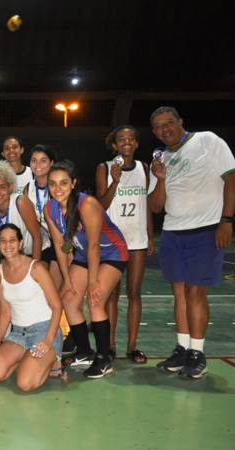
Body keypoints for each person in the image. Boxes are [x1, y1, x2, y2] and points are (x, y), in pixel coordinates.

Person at [148, 106, 235, 378]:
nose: (166, 129)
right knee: (178, 292)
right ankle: (182, 349)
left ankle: (198, 353)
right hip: (173, 231)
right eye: (159, 127)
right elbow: (156, 206)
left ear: (180, 122)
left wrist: (226, 220)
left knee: (195, 293)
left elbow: (232, 180)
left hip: (206, 229)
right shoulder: (160, 159)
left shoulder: (208, 141)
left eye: (169, 123)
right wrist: (160, 179)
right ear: (155, 132)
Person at [44, 160, 128, 379]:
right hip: (82, 254)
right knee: (68, 298)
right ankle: (84, 352)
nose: (57, 189)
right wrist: (67, 279)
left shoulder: (87, 204)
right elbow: (60, 246)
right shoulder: (49, 208)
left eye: (63, 183)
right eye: (52, 184)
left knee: (96, 299)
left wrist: (92, 282)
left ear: (73, 183)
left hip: (111, 253)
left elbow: (93, 245)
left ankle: (103, 358)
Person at [95, 125, 156, 363]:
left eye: (132, 138)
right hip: (113, 241)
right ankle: (110, 345)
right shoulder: (105, 168)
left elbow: (148, 206)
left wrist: (150, 236)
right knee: (112, 295)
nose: (127, 142)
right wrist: (115, 181)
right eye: (122, 139)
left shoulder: (145, 168)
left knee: (134, 293)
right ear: (115, 144)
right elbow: (101, 205)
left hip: (137, 239)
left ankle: (132, 346)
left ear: (137, 144)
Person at [0, 224, 64, 392]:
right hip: (18, 334)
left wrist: (48, 340)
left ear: (20, 244)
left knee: (25, 384)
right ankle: (27, 359)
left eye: (12, 240)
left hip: (44, 331)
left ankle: (54, 360)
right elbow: (6, 311)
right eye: (3, 241)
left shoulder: (37, 268)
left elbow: (57, 306)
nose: (8, 245)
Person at [0, 159, 42, 259]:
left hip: (35, 252)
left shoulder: (20, 202)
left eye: (2, 187)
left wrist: (34, 267)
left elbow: (37, 237)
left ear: (10, 187)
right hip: (10, 256)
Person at [23, 144, 60, 286]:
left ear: (51, 163)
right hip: (43, 242)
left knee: (58, 290)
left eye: (43, 160)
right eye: (34, 160)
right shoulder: (28, 188)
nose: (38, 165)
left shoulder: (58, 186)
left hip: (63, 242)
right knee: (41, 287)